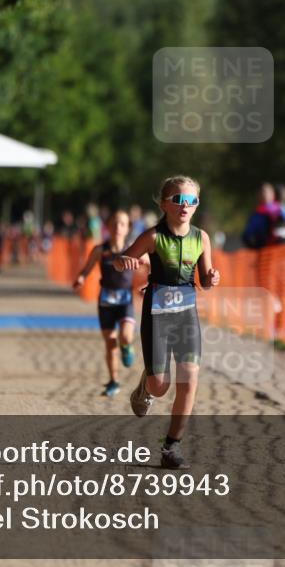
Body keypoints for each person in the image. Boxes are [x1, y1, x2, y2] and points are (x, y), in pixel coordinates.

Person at [115, 175, 221, 470]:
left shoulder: (201, 238)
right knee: (160, 386)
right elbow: (121, 260)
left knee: (189, 378)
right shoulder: (152, 237)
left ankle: (171, 446)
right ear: (164, 204)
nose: (185, 206)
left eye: (191, 201)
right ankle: (146, 386)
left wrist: (212, 278)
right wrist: (125, 262)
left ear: (196, 205)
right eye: (178, 200)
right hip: (157, 314)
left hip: (186, 314)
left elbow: (205, 280)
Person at [73, 210, 148, 397]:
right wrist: (81, 278)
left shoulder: (133, 248)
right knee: (110, 342)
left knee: (125, 336)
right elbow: (86, 269)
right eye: (114, 223)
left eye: (122, 224)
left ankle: (127, 346)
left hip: (125, 299)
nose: (118, 227)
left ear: (128, 228)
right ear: (107, 226)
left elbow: (150, 263)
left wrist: (150, 281)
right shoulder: (100, 250)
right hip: (105, 300)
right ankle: (114, 381)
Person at [241, 183, 283, 248]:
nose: (265, 194)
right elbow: (247, 236)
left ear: (273, 194)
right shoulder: (257, 215)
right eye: (262, 192)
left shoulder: (282, 211)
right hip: (264, 249)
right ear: (258, 195)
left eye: (267, 192)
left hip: (281, 249)